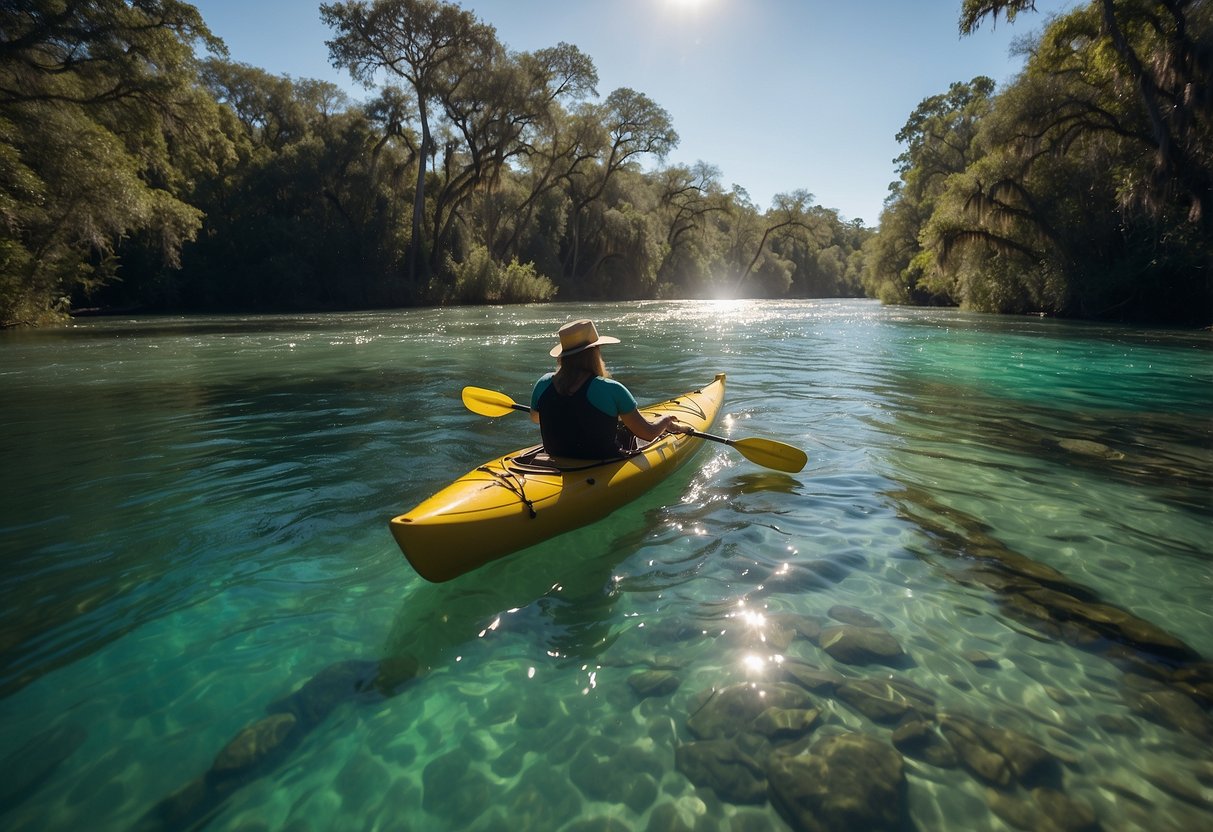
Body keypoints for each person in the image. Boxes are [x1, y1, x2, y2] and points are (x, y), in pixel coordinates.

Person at [530, 319, 687, 458]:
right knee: (627, 432)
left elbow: (536, 418)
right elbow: (648, 433)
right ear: (594, 353)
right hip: (600, 462)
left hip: (558, 457)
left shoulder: (543, 383)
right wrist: (665, 421)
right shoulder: (611, 389)